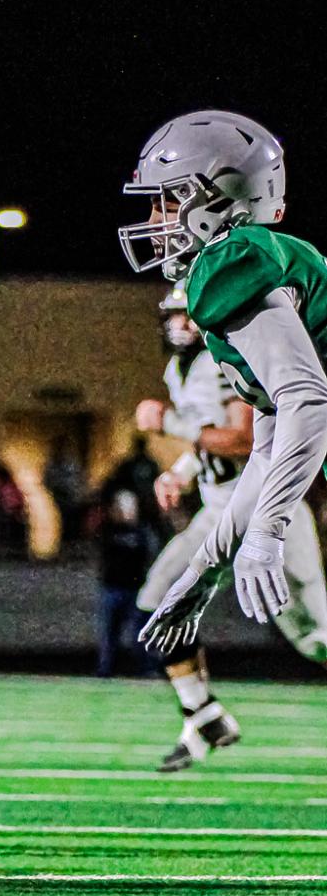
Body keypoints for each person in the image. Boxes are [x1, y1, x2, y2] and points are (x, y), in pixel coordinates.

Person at [129, 112, 327, 668]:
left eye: (166, 201)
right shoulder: (250, 278)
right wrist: (203, 572)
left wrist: (268, 530)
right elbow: (268, 444)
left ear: (222, 199)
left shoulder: (229, 265)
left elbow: (308, 400)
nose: (153, 218)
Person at [133, 283, 326, 768]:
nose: (180, 324)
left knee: (317, 636)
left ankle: (205, 717)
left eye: (187, 315)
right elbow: (208, 441)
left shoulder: (231, 357)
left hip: (262, 509)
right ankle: (203, 715)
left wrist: (171, 425)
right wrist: (180, 471)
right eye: (175, 315)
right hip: (218, 509)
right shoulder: (181, 368)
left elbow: (243, 440)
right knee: (159, 600)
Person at [97, 489, 160, 678]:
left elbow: (150, 555)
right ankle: (105, 670)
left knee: (139, 633)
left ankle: (147, 668)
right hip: (113, 588)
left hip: (134, 589)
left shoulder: (142, 532)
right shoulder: (108, 530)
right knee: (109, 634)